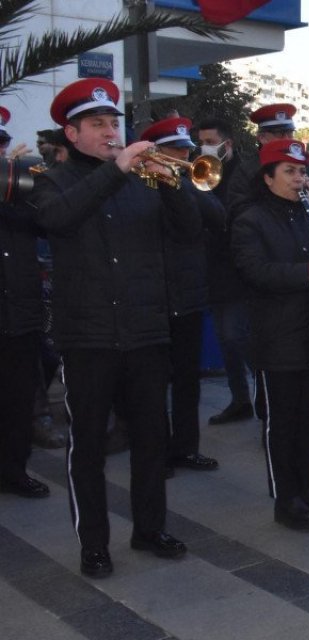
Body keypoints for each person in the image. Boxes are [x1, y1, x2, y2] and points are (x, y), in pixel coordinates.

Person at [33, 78, 199, 577]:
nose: (110, 132)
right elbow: (57, 220)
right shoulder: (52, 181)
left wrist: (172, 183)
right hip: (87, 337)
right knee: (88, 445)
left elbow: (190, 230)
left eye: (114, 123)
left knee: (151, 437)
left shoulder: (143, 178)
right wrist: (118, 169)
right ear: (73, 132)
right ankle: (94, 543)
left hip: (146, 329)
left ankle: (150, 529)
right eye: (98, 124)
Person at [231, 138, 309, 532]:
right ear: (267, 178)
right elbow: (254, 272)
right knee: (282, 421)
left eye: (302, 172)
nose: (300, 179)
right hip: (278, 334)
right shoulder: (250, 220)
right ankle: (286, 498)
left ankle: (307, 490)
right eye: (290, 172)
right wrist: (308, 271)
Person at [139, 116, 223, 474]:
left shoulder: (188, 184)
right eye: (175, 151)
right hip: (152, 298)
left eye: (186, 150)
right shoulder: (137, 184)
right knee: (153, 384)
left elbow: (216, 219)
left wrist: (182, 184)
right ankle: (155, 452)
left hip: (187, 296)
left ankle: (186, 448)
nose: (184, 156)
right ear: (156, 151)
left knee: (188, 379)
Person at [0, 106, 51, 501]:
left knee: (18, 400)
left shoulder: (19, 195)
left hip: (20, 316)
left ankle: (15, 470)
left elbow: (45, 223)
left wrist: (25, 184)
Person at [197, 118, 255, 426]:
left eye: (209, 139)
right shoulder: (203, 169)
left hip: (235, 268)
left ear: (227, 143)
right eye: (201, 140)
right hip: (213, 267)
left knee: (236, 336)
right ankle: (240, 398)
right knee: (224, 337)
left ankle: (265, 390)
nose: (204, 146)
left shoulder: (243, 173)